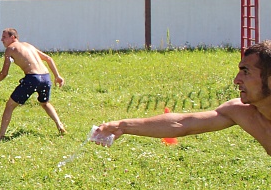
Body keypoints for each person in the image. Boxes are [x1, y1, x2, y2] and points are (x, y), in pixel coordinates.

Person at [94, 41, 271, 154]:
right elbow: (182, 123)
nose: (236, 80)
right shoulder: (241, 111)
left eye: (246, 72)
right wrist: (122, 126)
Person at [0, 28, 66, 139]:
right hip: (45, 77)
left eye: (4, 37)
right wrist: (57, 76)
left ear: (13, 37)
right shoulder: (28, 45)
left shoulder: (10, 49)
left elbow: (4, 73)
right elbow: (48, 59)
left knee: (10, 106)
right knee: (45, 103)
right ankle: (59, 125)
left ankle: (1, 136)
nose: (2, 40)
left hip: (32, 78)